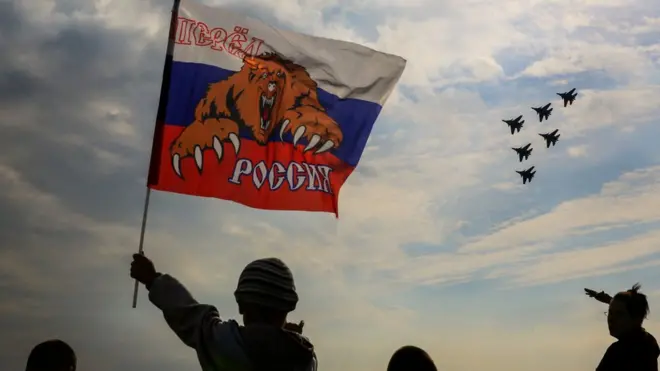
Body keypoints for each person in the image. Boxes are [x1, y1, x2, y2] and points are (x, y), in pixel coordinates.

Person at [130, 253, 317, 371]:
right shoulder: (304, 358)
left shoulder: (225, 343)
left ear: (241, 305)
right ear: (287, 308)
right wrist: (286, 337)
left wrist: (152, 279)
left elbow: (189, 315)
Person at [596, 283, 659, 371]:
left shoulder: (619, 352)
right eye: (610, 312)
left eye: (619, 314)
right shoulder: (649, 341)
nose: (611, 319)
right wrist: (612, 301)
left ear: (637, 318)